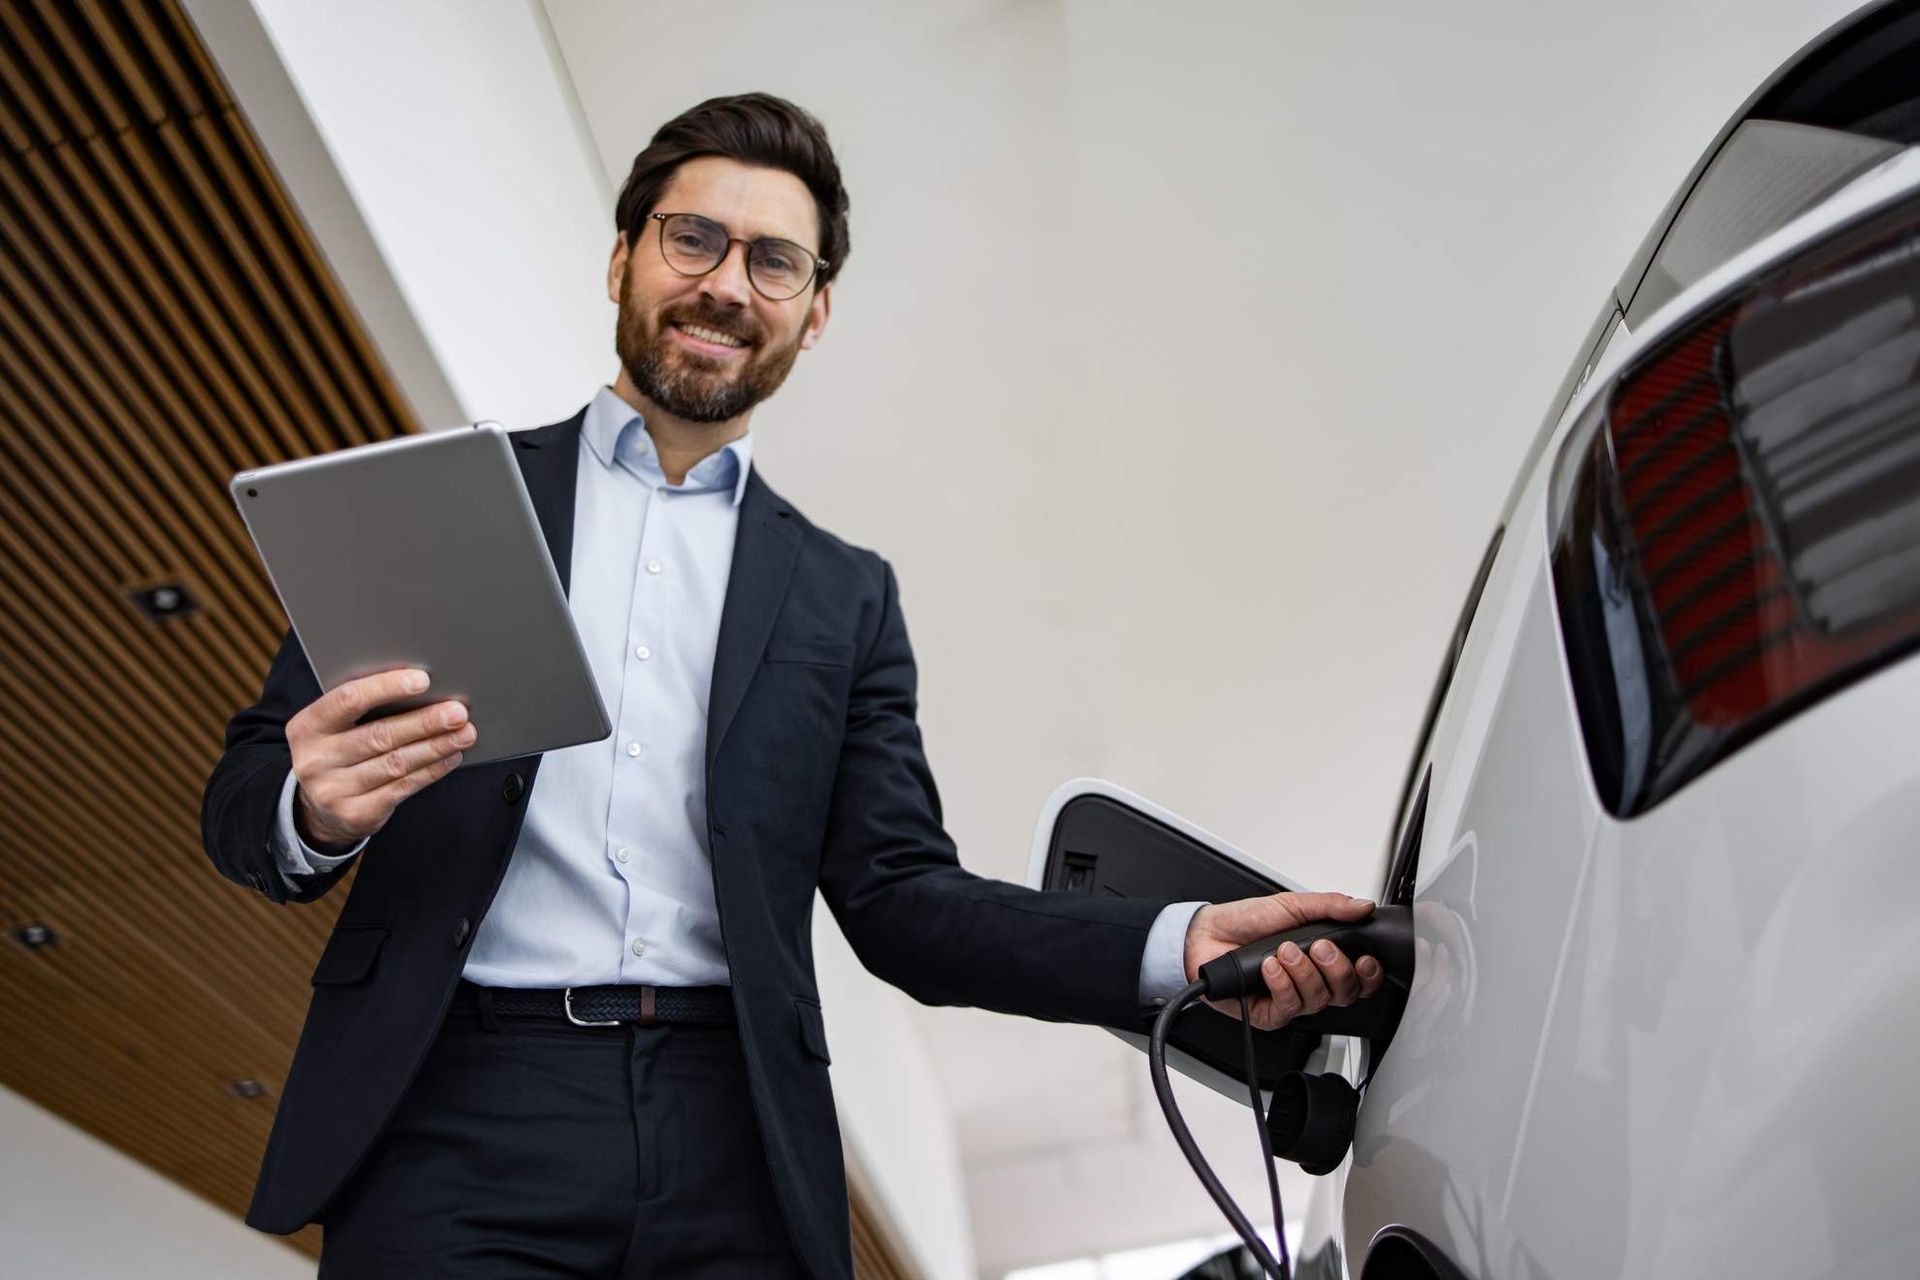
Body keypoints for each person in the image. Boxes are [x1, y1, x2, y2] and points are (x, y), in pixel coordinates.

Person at [200, 92, 1385, 1279]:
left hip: (738, 1132)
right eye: (693, 239)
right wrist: (310, 810)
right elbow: (246, 792)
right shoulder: (441, 504)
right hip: (457, 1118)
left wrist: (1177, 946)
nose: (727, 283)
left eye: (775, 261)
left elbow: (903, 901)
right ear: (623, 257)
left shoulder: (844, 595)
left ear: (814, 314)